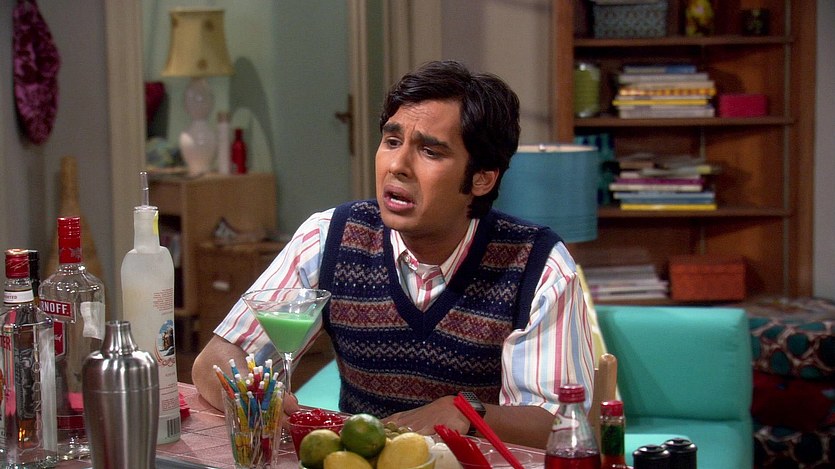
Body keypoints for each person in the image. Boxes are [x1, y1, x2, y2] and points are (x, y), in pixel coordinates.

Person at [192, 60, 594, 448]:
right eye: (391, 141)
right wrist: (251, 395)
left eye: (430, 151)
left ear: (482, 179)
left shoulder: (538, 264)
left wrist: (465, 413)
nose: (397, 165)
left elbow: (559, 423)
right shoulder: (329, 236)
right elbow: (218, 357)